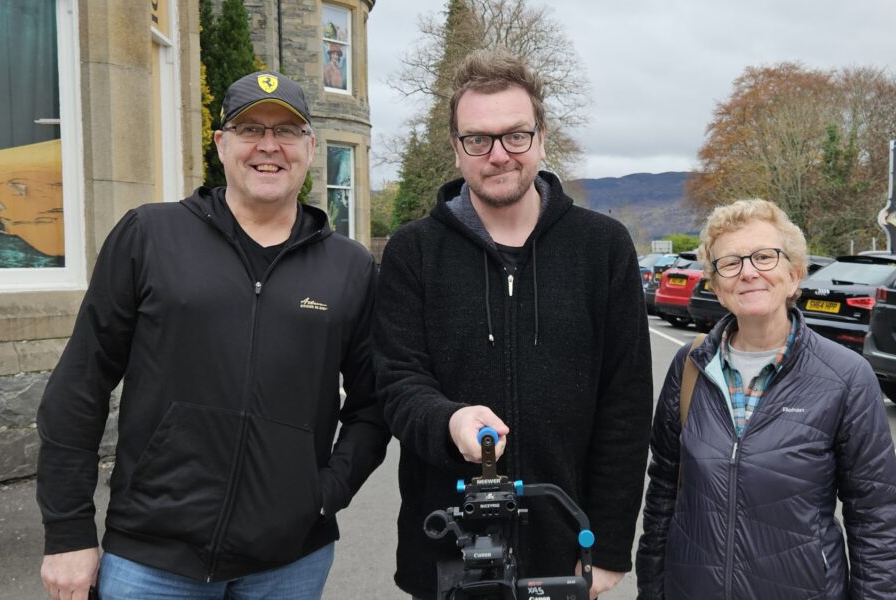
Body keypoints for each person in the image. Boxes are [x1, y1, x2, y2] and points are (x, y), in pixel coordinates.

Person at [36, 71, 390, 599]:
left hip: (290, 562)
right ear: (221, 144)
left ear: (310, 148)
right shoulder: (150, 235)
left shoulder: (349, 267)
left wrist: (325, 493)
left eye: (287, 132)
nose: (268, 146)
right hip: (152, 559)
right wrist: (68, 532)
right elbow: (80, 385)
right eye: (250, 129)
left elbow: (374, 404)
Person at [373, 48, 653, 599]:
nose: (498, 154)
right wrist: (450, 420)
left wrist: (612, 545)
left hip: (566, 548)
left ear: (542, 138)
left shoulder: (603, 247)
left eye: (515, 135)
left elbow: (625, 407)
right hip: (446, 547)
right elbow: (397, 382)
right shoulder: (413, 251)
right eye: (478, 139)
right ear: (457, 150)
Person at [636, 199, 896, 599]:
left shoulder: (846, 377)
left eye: (764, 257)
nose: (748, 272)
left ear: (794, 274)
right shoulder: (690, 366)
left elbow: (875, 519)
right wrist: (652, 592)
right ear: (717, 286)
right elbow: (662, 495)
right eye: (730, 262)